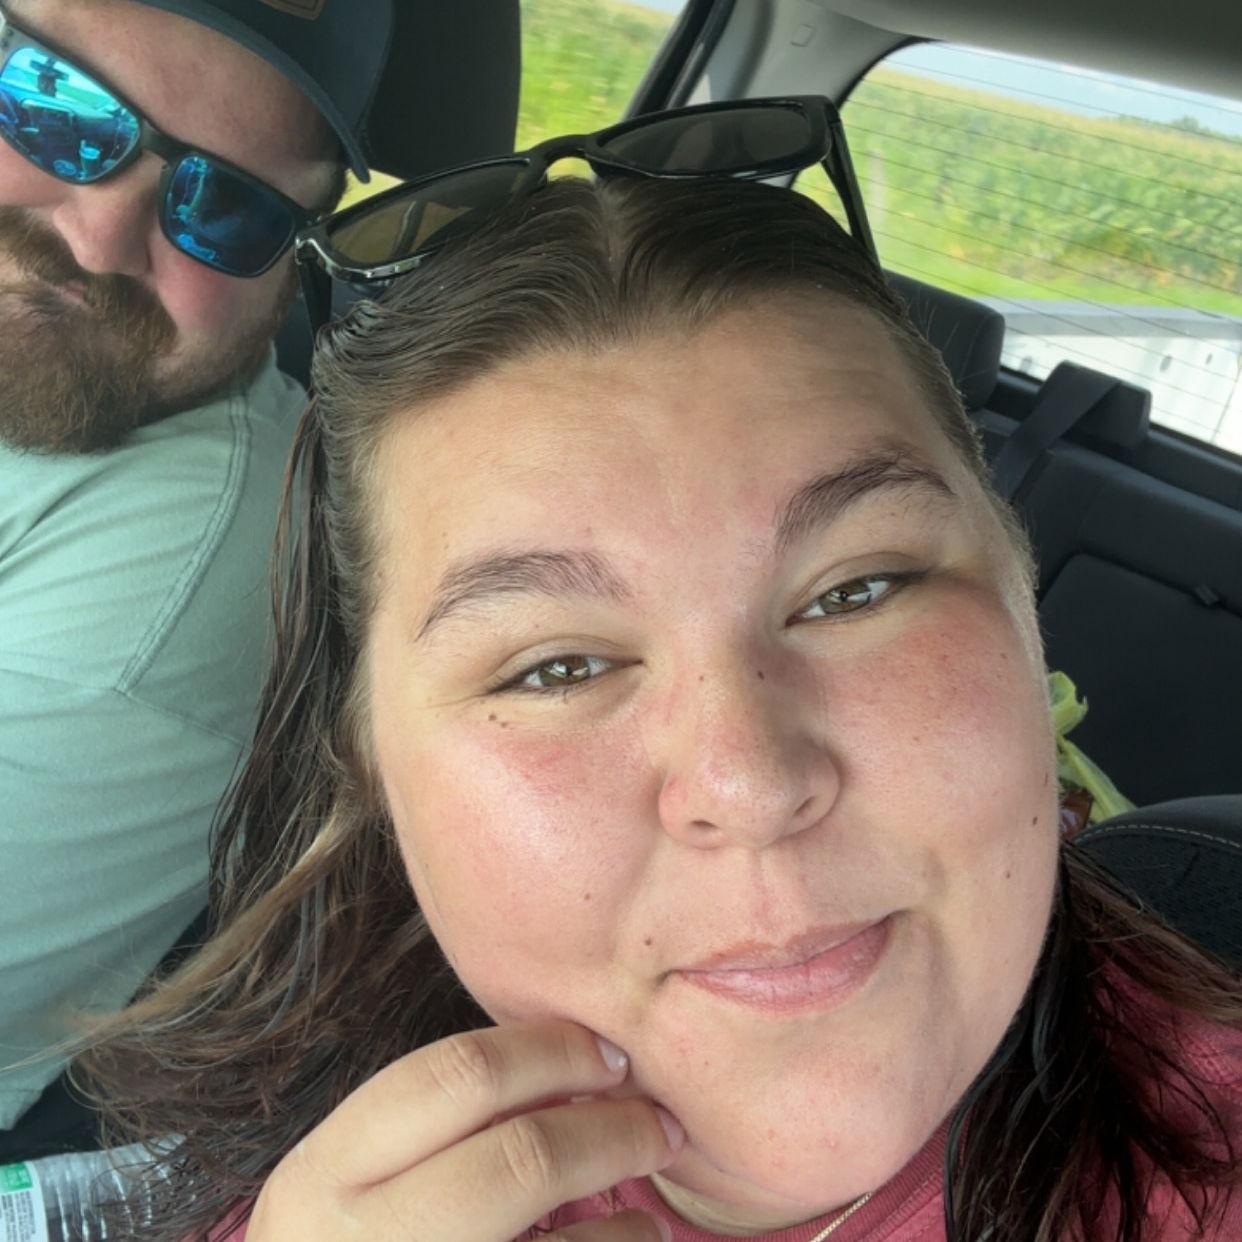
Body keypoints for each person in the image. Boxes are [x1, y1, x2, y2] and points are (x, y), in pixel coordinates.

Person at [77, 130, 1240, 1240]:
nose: (751, 785)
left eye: (858, 590)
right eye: (558, 668)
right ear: (371, 757)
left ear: (1025, 606)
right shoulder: (287, 1168)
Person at [0, 0, 394, 1145]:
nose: (100, 241)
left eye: (227, 207)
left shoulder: (175, 573)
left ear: (294, 267)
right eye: (58, 110)